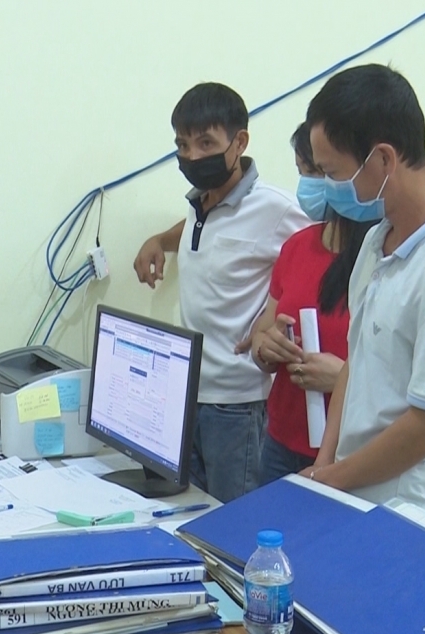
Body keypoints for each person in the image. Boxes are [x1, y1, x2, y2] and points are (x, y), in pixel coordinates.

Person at [301, 64, 425, 531]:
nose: (328, 188)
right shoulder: (376, 241)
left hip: (417, 520)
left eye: (333, 173)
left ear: (383, 160)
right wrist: (324, 467)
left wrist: (332, 480)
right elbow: (356, 362)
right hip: (355, 497)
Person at [133, 82, 309, 502]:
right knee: (190, 512)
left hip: (238, 405)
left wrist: (274, 317)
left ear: (239, 142)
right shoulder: (201, 203)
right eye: (182, 145)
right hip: (188, 393)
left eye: (206, 143)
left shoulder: (277, 209)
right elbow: (204, 229)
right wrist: (159, 240)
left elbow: (321, 261)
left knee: (235, 523)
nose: (192, 156)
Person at [250, 123, 377, 483]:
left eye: (318, 172)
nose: (308, 185)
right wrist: (266, 347)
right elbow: (263, 331)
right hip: (279, 442)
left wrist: (343, 380)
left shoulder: (380, 258)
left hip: (350, 451)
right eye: (302, 171)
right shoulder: (297, 246)